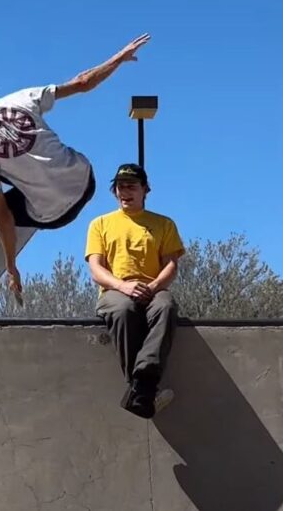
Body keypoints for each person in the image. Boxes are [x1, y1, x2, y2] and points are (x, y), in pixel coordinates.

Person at [0, 34, 151, 302]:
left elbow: (3, 218)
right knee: (15, 170)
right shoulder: (21, 98)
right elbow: (82, 83)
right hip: (86, 181)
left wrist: (10, 267)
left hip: (54, 215)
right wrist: (118, 58)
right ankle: (32, 189)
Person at [84, 163, 185, 419]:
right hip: (115, 290)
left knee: (166, 306)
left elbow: (171, 265)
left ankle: (143, 382)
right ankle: (144, 390)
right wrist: (122, 285)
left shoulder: (163, 224)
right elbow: (96, 269)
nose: (124, 191)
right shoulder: (100, 224)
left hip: (152, 288)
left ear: (145, 189)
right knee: (123, 309)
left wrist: (152, 287)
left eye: (131, 186)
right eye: (120, 186)